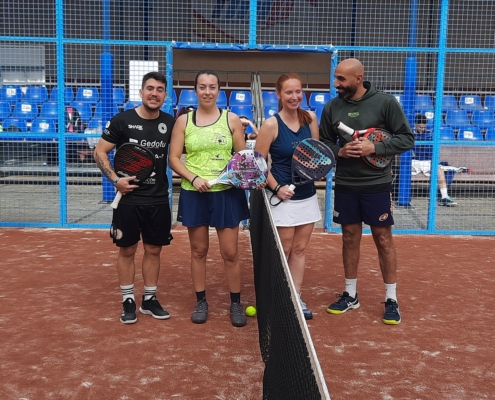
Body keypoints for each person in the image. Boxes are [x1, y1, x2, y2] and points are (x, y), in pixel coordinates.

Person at [319, 58, 415, 325]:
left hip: (377, 185)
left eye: (341, 79)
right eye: (335, 78)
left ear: (358, 79)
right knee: (349, 237)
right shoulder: (332, 107)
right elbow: (324, 143)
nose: (336, 84)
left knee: (383, 239)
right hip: (346, 184)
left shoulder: (385, 103)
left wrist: (375, 148)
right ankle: (350, 295)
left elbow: (406, 138)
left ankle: (391, 299)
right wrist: (340, 151)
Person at [168, 69, 250, 327]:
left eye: (212, 87)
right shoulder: (183, 121)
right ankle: (201, 301)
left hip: (227, 194)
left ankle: (235, 303)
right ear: (195, 90)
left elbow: (242, 159)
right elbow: (173, 159)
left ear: (218, 91)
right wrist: (193, 178)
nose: (207, 91)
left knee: (230, 253)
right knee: (199, 250)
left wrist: (235, 176)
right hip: (195, 194)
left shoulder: (232, 119)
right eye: (202, 87)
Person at [94, 71, 175, 324]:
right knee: (127, 249)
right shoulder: (122, 120)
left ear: (165, 95)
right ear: (141, 92)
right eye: (150, 88)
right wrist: (115, 180)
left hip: (158, 199)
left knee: (154, 249)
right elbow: (100, 151)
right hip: (128, 200)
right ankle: (128, 300)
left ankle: (149, 299)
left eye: (159, 90)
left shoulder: (170, 123)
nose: (154, 94)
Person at [255, 73, 320, 320]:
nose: (294, 97)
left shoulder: (310, 118)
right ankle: (277, 298)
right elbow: (258, 163)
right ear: (278, 95)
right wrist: (276, 188)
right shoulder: (270, 125)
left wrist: (315, 169)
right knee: (284, 249)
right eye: (289, 92)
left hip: (307, 195)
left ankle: (296, 297)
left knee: (300, 249)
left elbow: (316, 153)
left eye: (298, 91)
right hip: (282, 197)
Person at [412, 114, 458, 207]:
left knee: (440, 171)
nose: (422, 129)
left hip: (427, 162)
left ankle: (444, 197)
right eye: (420, 127)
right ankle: (397, 196)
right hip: (414, 162)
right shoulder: (410, 135)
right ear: (415, 124)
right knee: (402, 170)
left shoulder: (430, 135)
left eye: (424, 127)